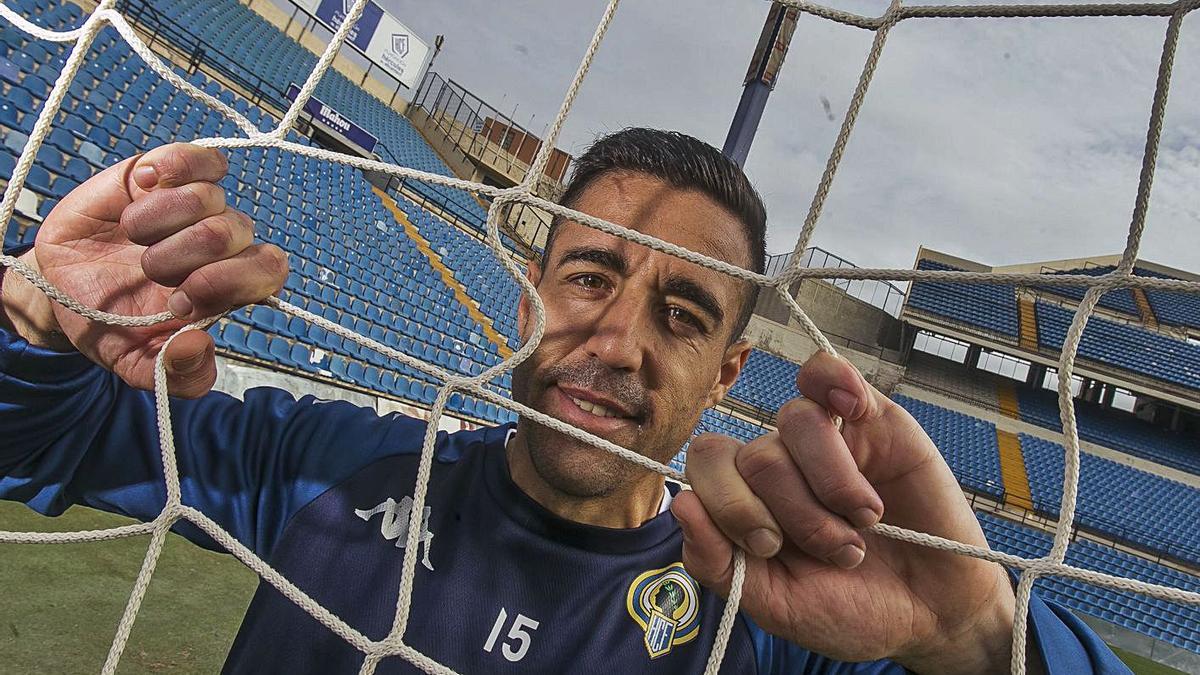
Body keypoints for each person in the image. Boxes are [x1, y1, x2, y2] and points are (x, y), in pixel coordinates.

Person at [0, 128, 1126, 673]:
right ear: (532, 298)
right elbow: (48, 445)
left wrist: (978, 635)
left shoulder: (775, 620)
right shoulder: (336, 467)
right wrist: (38, 320)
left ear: (731, 373)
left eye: (683, 313)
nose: (619, 340)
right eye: (591, 277)